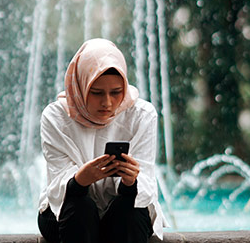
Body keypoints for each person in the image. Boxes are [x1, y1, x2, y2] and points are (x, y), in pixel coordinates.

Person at [37, 38, 166, 243]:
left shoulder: (141, 114)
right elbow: (58, 182)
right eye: (96, 93)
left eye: (116, 93)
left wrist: (129, 182)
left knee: (131, 211)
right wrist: (80, 180)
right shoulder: (55, 117)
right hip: (69, 213)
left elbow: (145, 185)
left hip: (123, 213)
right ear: (80, 87)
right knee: (81, 207)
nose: (107, 103)